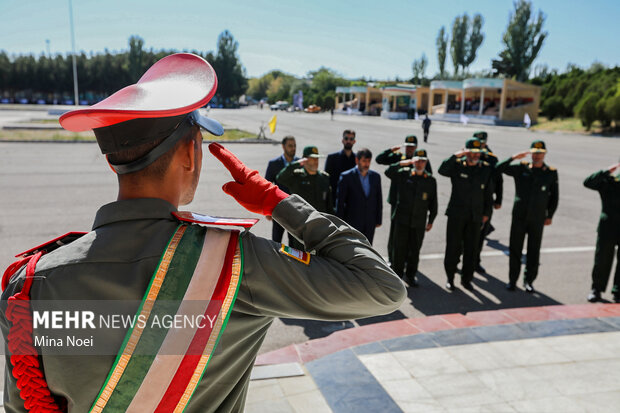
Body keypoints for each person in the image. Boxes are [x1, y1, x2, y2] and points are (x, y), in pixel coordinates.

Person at [0, 53, 406, 413]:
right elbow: (381, 287)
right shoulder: (234, 265)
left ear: (113, 163)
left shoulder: (31, 286)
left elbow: (25, 405)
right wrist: (278, 203)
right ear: (191, 154)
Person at [496, 140, 559, 293]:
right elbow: (498, 169)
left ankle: (529, 281)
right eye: (534, 153)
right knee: (515, 249)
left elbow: (554, 196)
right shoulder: (521, 168)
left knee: (533, 251)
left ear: (544, 154)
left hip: (537, 218)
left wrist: (549, 215)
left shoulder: (550, 173)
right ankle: (512, 280)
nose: (537, 156)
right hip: (519, 216)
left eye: (540, 153)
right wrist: (513, 157)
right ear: (531, 153)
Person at [438, 138, 493, 291]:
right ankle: (450, 277)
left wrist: (487, 214)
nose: (475, 156)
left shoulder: (485, 169)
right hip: (456, 215)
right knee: (453, 248)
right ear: (466, 152)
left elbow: (488, 194)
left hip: (475, 217)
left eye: (477, 153)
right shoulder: (456, 166)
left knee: (471, 249)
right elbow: (442, 170)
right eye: (471, 152)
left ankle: (467, 279)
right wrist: (457, 155)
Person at [376, 135, 433, 264]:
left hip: (412, 202)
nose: (409, 149)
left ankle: (405, 258)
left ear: (416, 147)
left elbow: (428, 179)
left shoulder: (421, 160)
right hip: (397, 200)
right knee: (395, 232)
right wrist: (391, 150)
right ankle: (392, 257)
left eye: (412, 147)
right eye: (407, 146)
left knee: (409, 233)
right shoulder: (398, 157)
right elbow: (379, 159)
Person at [385, 149, 437, 287]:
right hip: (402, 220)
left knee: (415, 250)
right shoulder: (403, 174)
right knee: (399, 249)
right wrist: (404, 163)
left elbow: (433, 203)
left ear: (426, 162)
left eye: (422, 161)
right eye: (417, 161)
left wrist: (431, 220)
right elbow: (388, 172)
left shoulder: (430, 181)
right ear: (412, 161)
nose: (419, 164)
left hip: (418, 222)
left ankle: (410, 276)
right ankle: (397, 276)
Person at [276, 145, 334, 250]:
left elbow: (329, 206)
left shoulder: (324, 178)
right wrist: (297, 163)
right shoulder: (297, 177)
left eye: (317, 158)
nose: (316, 161)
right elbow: (280, 177)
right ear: (305, 159)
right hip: (302, 227)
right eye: (312, 159)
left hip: (320, 228)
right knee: (301, 261)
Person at [584, 162, 620, 303]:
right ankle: (596, 289)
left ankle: (618, 291)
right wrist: (605, 171)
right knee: (602, 260)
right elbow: (588, 182)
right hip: (608, 227)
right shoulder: (609, 182)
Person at [472, 131, 503, 274]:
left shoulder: (491, 159)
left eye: (482, 142)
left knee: (480, 234)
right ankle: (461, 261)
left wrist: (498, 199)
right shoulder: (467, 155)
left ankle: (475, 261)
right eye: (477, 141)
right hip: (469, 200)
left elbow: (499, 179)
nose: (480, 145)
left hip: (486, 200)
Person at [336, 148, 382, 244]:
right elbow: (340, 202)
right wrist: (340, 223)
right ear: (357, 160)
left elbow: (378, 199)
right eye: (364, 161)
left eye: (368, 161)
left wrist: (378, 219)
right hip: (352, 222)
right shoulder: (346, 177)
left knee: (368, 248)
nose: (366, 164)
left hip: (369, 222)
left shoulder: (375, 177)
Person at [264, 135, 298, 242]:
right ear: (283, 147)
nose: (293, 148)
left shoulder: (300, 163)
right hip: (278, 210)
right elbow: (267, 187)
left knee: (294, 244)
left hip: (296, 210)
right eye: (290, 146)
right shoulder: (274, 164)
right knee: (276, 242)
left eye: (294, 146)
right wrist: (267, 211)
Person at [325, 129, 357, 206]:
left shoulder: (357, 160)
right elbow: (326, 180)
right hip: (335, 199)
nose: (348, 141)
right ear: (342, 140)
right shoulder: (332, 158)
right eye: (346, 138)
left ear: (354, 141)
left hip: (352, 201)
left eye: (351, 139)